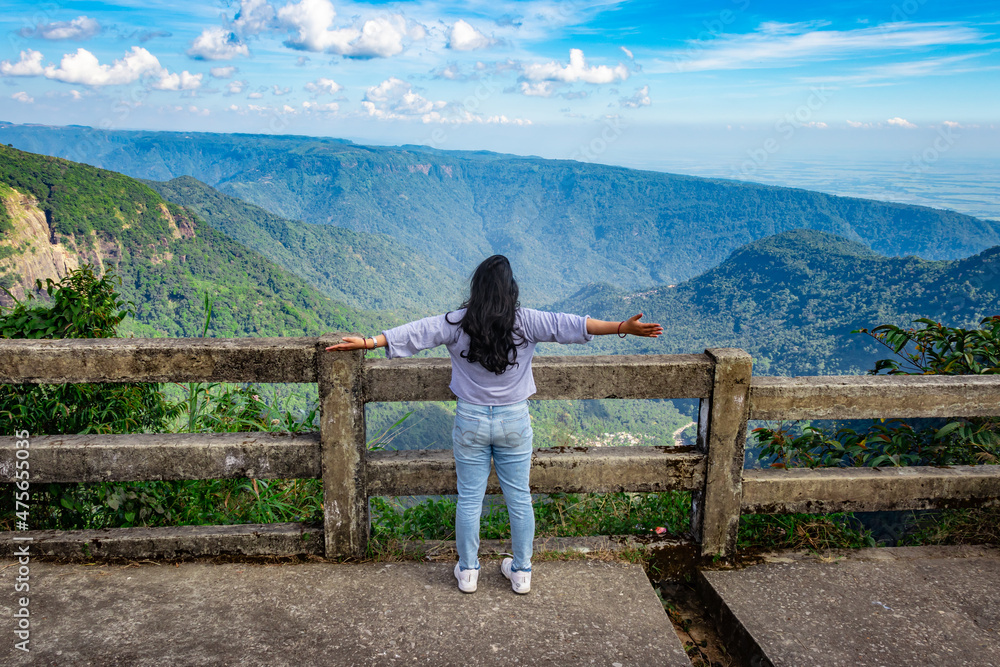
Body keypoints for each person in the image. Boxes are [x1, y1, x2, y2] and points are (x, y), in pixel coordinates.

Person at [326, 255, 662, 594]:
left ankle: (469, 572)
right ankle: (521, 572)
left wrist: (369, 342)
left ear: (477, 289)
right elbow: (573, 325)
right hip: (514, 419)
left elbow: (417, 332)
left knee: (469, 498)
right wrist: (622, 327)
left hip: (470, 419)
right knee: (520, 498)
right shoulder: (526, 321)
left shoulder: (457, 323)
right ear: (510, 289)